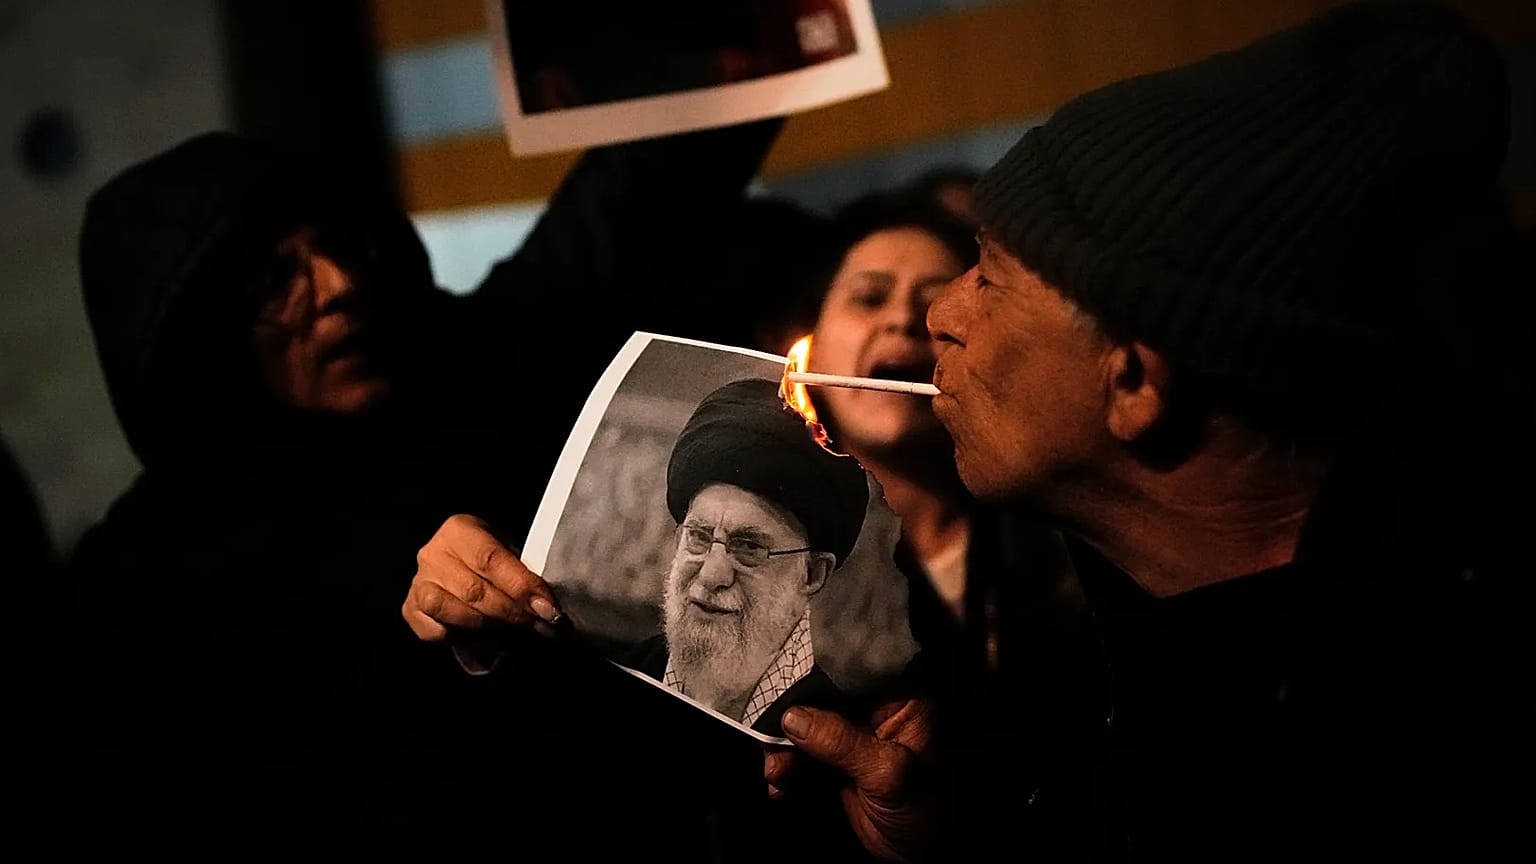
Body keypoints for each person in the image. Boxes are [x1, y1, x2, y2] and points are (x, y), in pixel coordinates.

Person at [771, 2, 1536, 860]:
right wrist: (950, 835)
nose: (934, 318)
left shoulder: (1380, 743)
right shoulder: (1153, 673)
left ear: (1134, 380)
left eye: (987, 277)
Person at [62, 115, 782, 857]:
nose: (339, 286)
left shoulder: (482, 369)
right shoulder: (135, 589)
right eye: (277, 280)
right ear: (198, 336)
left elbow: (640, 197)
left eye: (339, 246)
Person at [628, 377, 869, 736]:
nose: (711, 575)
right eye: (698, 536)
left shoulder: (845, 739)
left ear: (812, 573)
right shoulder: (617, 675)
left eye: (749, 547)